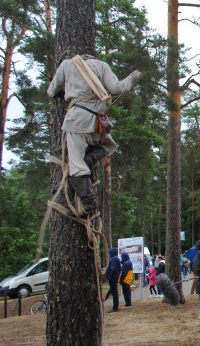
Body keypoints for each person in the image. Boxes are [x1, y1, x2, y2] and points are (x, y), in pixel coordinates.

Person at [46, 54, 141, 214]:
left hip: (76, 120)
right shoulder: (101, 65)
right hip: (98, 122)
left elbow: (51, 91)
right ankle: (90, 158)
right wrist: (132, 77)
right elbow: (117, 88)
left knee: (76, 166)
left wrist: (68, 89)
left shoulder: (67, 65)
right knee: (109, 145)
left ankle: (89, 205)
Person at [105, 247, 121, 312]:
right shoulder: (115, 258)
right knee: (113, 291)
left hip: (113, 277)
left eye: (109, 252)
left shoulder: (114, 259)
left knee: (114, 293)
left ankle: (115, 308)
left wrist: (109, 276)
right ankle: (105, 299)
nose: (109, 254)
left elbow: (113, 268)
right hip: (114, 277)